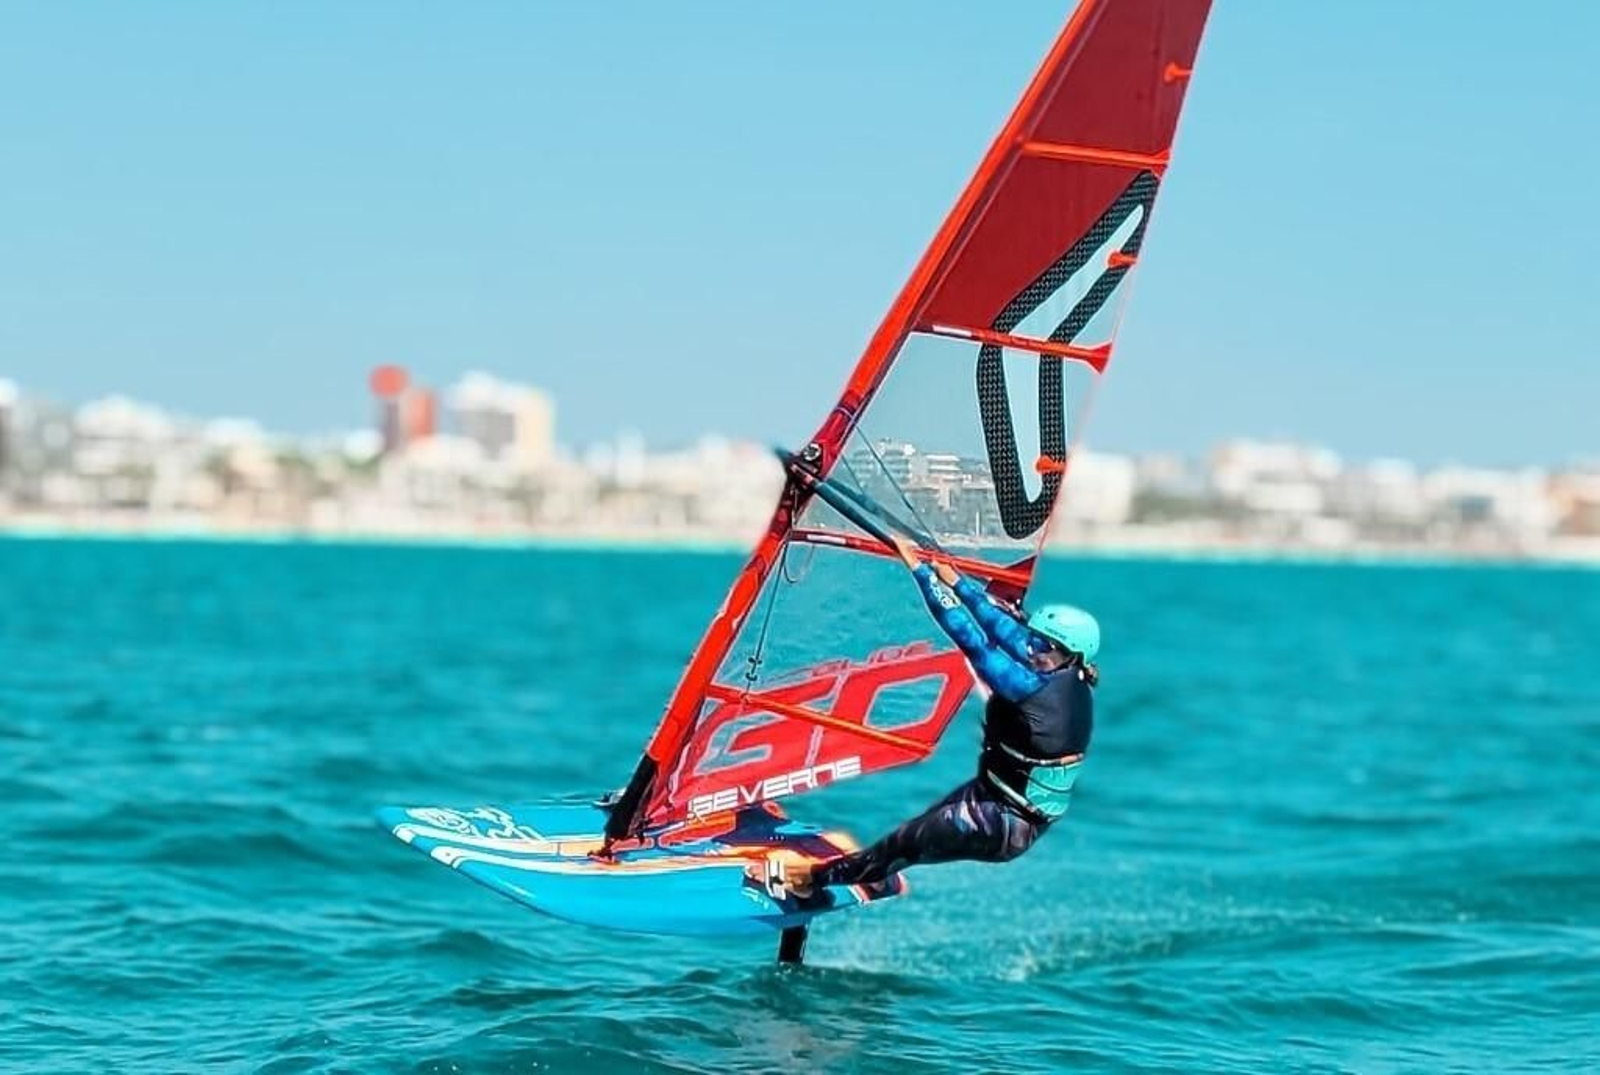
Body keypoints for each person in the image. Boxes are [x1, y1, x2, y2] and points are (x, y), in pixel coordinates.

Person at [753, 533, 1099, 900]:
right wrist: (958, 583)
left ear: (1070, 654)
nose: (1032, 645)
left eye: (1043, 644)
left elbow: (970, 639)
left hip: (1000, 823)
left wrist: (920, 572)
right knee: (907, 838)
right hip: (996, 799)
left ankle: (807, 881)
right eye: (1036, 637)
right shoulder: (1062, 670)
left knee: (904, 844)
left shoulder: (1035, 691)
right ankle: (872, 870)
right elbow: (1005, 630)